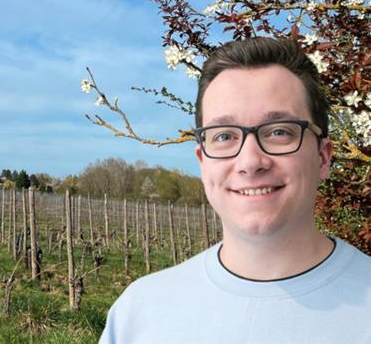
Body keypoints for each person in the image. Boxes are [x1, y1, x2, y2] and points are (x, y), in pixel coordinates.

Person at [99, 37, 371, 344]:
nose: (250, 162)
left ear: (322, 157)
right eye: (224, 135)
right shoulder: (138, 313)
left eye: (279, 131)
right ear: (203, 163)